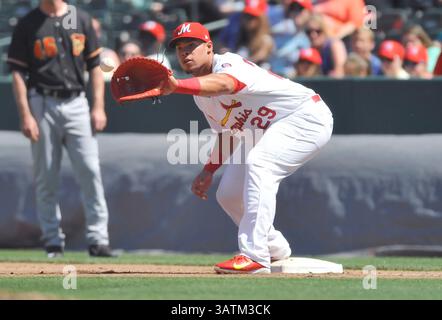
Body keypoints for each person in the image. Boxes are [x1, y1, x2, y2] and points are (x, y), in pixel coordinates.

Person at [161, 22, 333, 274]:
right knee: (229, 194)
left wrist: (176, 86)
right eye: (179, 48)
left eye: (191, 46)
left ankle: (255, 255)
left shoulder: (229, 64)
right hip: (262, 131)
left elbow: (225, 84)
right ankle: (274, 248)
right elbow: (228, 133)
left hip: (305, 117)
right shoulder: (201, 95)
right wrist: (209, 170)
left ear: (209, 48)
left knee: (260, 163)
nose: (185, 53)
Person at [7, 0, 115, 258]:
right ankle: (53, 240)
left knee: (90, 170)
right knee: (46, 175)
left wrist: (98, 106)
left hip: (76, 100)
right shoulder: (28, 23)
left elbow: (95, 67)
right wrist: (26, 115)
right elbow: (18, 73)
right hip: (42, 100)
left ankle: (98, 240)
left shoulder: (82, 19)